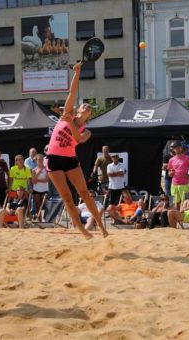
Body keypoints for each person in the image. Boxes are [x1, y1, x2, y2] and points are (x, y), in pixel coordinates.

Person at [45, 62, 108, 239]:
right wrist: (77, 73)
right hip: (53, 159)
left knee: (85, 194)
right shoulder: (68, 113)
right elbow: (72, 92)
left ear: (89, 115)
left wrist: (70, 122)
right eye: (84, 106)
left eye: (89, 108)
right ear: (79, 109)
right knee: (66, 197)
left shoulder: (86, 130)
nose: (86, 107)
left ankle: (101, 226)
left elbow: (78, 139)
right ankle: (81, 229)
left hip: (70, 160)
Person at [168, 142, 189, 209]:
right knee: (176, 203)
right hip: (174, 184)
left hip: (184, 184)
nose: (177, 149)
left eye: (178, 147)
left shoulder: (187, 158)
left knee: (186, 202)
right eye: (175, 147)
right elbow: (169, 172)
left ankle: (185, 217)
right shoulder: (171, 160)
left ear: (181, 147)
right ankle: (178, 217)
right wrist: (170, 174)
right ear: (173, 149)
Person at [31, 153, 49, 220]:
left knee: (46, 206)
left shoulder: (46, 169)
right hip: (36, 190)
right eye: (38, 159)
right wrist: (39, 171)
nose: (40, 160)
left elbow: (46, 180)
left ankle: (46, 219)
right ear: (36, 161)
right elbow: (33, 181)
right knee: (38, 206)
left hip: (45, 190)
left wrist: (37, 180)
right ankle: (40, 220)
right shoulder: (34, 170)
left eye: (41, 159)